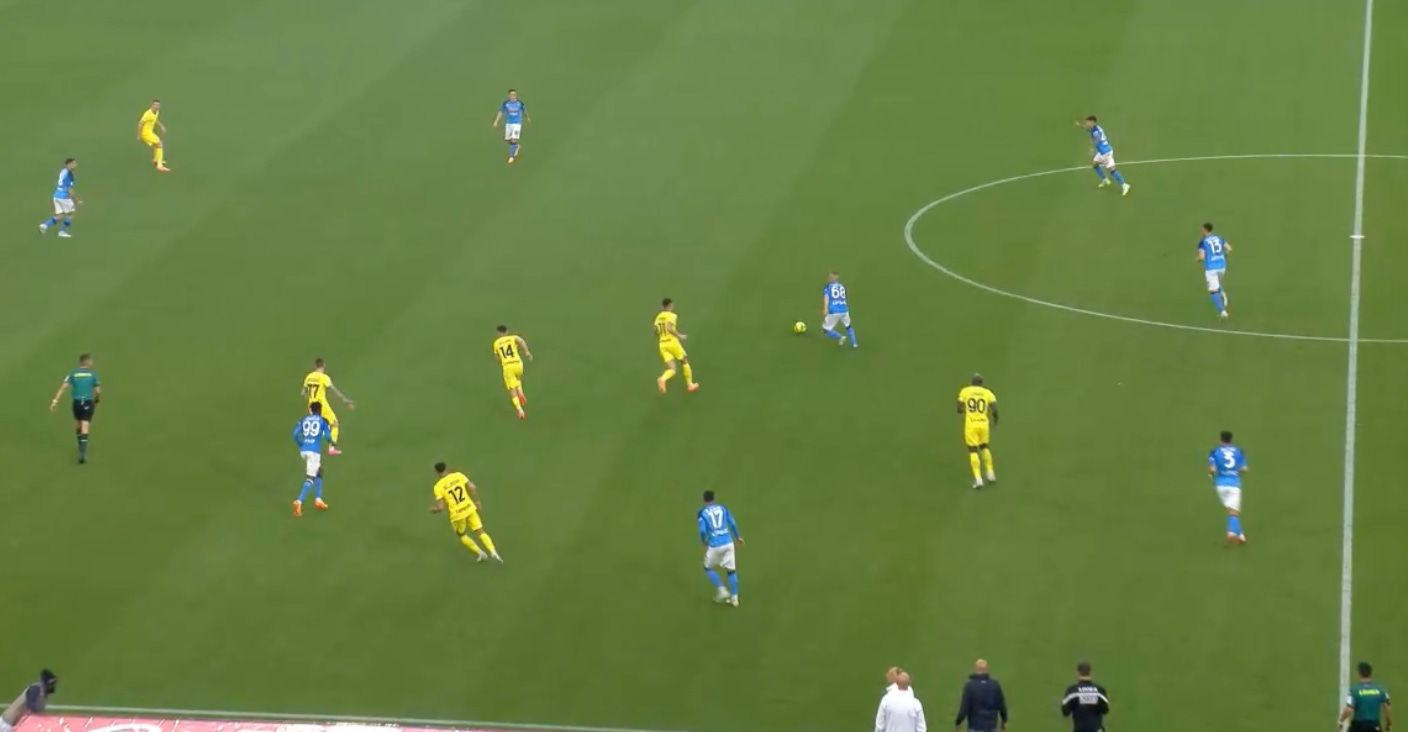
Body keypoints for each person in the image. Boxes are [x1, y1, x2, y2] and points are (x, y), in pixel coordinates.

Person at [431, 462, 502, 563]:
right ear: (446, 468)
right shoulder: (458, 475)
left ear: (437, 472)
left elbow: (440, 507)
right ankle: (493, 551)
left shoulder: (438, 487)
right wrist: (477, 501)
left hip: (457, 514)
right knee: (480, 531)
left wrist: (434, 510)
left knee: (462, 535)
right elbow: (472, 487)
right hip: (469, 508)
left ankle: (480, 553)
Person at [50, 353, 101, 464]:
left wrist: (55, 400)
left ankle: (80, 445)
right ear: (87, 362)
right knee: (85, 425)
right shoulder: (92, 375)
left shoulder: (73, 373)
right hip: (87, 402)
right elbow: (97, 391)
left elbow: (63, 387)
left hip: (76, 403)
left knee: (78, 425)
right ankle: (83, 453)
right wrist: (97, 399)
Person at [699, 490, 743, 606]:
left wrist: (704, 542)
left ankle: (721, 589)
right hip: (728, 543)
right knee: (731, 571)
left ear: (704, 500)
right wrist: (738, 537)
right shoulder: (723, 508)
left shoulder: (702, 513)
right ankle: (734, 598)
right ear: (714, 499)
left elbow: (702, 531)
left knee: (707, 568)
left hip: (715, 545)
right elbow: (732, 523)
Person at [302, 358, 355, 454]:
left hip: (311, 405)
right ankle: (332, 448)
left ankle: (311, 447)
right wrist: (345, 401)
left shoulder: (308, 377)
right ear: (323, 366)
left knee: (315, 425)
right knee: (334, 423)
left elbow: (303, 392)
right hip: (321, 404)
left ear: (315, 366)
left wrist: (309, 397)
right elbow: (334, 391)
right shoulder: (324, 377)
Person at [292, 403, 334, 517]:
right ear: (320, 410)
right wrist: (332, 441)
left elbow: (295, 434)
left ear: (311, 410)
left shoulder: (304, 419)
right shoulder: (322, 421)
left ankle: (318, 500)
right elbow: (328, 437)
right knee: (310, 478)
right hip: (314, 452)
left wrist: (302, 444)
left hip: (304, 450)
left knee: (319, 471)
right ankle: (299, 502)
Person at [1209, 430, 1249, 545]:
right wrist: (1236, 472)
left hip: (1220, 485)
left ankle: (1241, 536)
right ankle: (1231, 532)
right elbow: (1244, 469)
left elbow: (1213, 469)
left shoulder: (1214, 452)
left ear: (1220, 439)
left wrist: (1211, 475)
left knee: (1231, 511)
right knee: (1234, 513)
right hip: (1234, 485)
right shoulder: (1239, 451)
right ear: (1231, 440)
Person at [957, 375, 998, 488]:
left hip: (971, 424)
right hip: (983, 423)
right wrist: (995, 420)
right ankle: (990, 474)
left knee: (973, 450)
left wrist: (966, 410)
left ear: (972, 382)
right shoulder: (987, 393)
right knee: (984, 447)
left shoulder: (965, 391)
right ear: (981, 383)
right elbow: (994, 409)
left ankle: (978, 479)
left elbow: (959, 409)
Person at [654, 298, 699, 394]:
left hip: (662, 344)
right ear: (670, 305)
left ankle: (663, 379)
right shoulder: (672, 315)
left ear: (662, 306)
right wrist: (679, 336)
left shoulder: (658, 317)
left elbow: (656, 331)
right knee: (684, 361)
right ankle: (690, 384)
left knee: (672, 369)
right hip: (672, 342)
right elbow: (669, 328)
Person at [1076, 116, 1129, 195]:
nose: (1087, 123)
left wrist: (1092, 149)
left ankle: (1124, 185)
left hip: (1105, 152)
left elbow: (1096, 140)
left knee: (1111, 169)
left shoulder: (1096, 132)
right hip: (1104, 151)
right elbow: (1088, 129)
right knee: (1095, 164)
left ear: (1093, 122)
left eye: (1088, 122)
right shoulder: (1095, 128)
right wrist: (1080, 126)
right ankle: (1105, 180)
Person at [954, 659, 1007, 732]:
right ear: (986, 670)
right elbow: (1001, 705)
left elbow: (964, 708)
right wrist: (1004, 720)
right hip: (991, 727)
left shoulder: (970, 686)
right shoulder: (995, 685)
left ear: (975, 669)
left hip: (975, 727)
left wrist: (958, 722)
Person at [492, 325, 533, 419]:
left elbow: (497, 357)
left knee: (512, 390)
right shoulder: (513, 338)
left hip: (508, 366)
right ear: (507, 332)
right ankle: (520, 391)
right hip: (518, 364)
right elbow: (521, 341)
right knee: (517, 377)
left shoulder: (496, 343)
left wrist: (500, 362)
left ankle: (520, 411)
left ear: (498, 333)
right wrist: (527, 352)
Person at [1340, 661, 1392, 732]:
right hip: (1374, 725)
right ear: (1370, 674)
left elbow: (1349, 709)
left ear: (1359, 674)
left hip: (1359, 726)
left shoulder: (1354, 690)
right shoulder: (1380, 690)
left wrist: (1341, 721)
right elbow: (1387, 707)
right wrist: (1388, 722)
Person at [1060, 661, 1110, 732]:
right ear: (1090, 672)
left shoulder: (1072, 691)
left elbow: (1065, 712)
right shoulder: (1099, 691)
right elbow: (1105, 710)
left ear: (1078, 673)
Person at [1197, 223, 1232, 319]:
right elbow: (1229, 248)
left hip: (1211, 268)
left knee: (1213, 290)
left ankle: (1222, 311)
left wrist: (1197, 259)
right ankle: (1222, 293)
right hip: (1222, 267)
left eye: (1202, 229)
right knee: (1217, 282)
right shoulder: (1219, 238)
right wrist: (1224, 256)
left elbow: (1201, 257)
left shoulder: (1203, 242)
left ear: (1205, 230)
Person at [39, 158, 80, 238]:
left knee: (60, 216)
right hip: (64, 197)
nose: (75, 165)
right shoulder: (69, 175)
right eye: (73, 163)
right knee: (71, 214)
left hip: (57, 196)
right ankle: (62, 231)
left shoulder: (63, 171)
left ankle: (45, 225)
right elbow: (70, 190)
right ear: (68, 164)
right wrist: (76, 201)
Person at [490, 89, 530, 164]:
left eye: (514, 94)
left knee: (513, 139)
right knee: (508, 139)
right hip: (509, 124)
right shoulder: (506, 104)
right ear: (509, 96)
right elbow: (501, 112)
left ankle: (511, 157)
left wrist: (527, 117)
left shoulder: (519, 103)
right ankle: (516, 146)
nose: (513, 96)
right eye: (511, 95)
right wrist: (496, 121)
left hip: (517, 124)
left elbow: (524, 110)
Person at [821, 271, 858, 347]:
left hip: (834, 311)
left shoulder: (828, 287)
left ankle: (840, 337)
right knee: (848, 326)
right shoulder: (842, 286)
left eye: (830, 277)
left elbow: (826, 298)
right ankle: (854, 344)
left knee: (826, 329)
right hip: (844, 309)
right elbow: (846, 294)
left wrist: (825, 309)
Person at [137, 99, 171, 172]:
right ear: (152, 105)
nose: (156, 106)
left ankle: (156, 160)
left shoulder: (156, 112)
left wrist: (161, 126)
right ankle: (160, 166)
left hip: (150, 132)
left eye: (158, 105)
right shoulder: (147, 114)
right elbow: (140, 123)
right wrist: (139, 135)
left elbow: (155, 119)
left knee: (156, 145)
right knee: (159, 144)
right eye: (155, 105)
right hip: (145, 133)